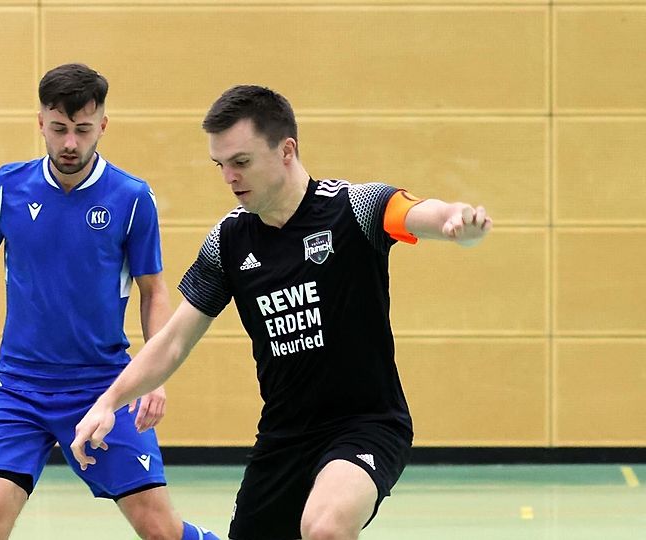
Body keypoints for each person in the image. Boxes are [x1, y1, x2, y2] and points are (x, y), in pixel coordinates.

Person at [71, 84, 493, 540]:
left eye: (241, 162)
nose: (229, 177)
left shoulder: (354, 208)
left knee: (324, 528)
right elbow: (172, 341)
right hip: (284, 436)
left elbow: (419, 212)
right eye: (222, 165)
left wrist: (456, 225)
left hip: (366, 424)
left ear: (286, 149)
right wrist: (107, 402)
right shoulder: (227, 243)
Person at [0, 63, 219, 540]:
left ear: (102, 126)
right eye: (59, 128)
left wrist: (155, 378)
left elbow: (154, 291)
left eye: (83, 130)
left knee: (160, 531)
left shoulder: (131, 198)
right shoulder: (5, 190)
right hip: (20, 390)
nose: (70, 143)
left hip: (104, 388)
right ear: (40, 122)